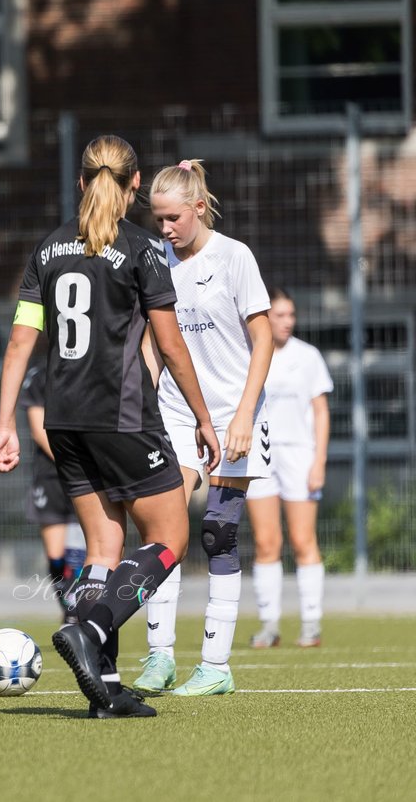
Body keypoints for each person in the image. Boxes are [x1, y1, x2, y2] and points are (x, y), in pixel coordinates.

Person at [0, 135, 219, 719]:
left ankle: (107, 688)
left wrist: (5, 424)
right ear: (136, 184)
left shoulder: (47, 249)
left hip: (62, 420)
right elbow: (169, 344)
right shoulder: (144, 249)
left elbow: (21, 342)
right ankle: (89, 628)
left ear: (81, 182)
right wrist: (203, 416)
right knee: (169, 539)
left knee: (103, 546)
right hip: (120, 418)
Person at [133, 159, 273, 697]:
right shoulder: (156, 260)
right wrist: (140, 401)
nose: (164, 228)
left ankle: (215, 666)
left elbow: (261, 340)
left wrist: (243, 414)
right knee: (162, 528)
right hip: (175, 410)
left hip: (234, 409)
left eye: (172, 218)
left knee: (217, 530)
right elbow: (156, 341)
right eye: (157, 219)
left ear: (197, 208)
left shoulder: (235, 257)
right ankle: (159, 658)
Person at [246, 287, 332, 649]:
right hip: (260, 455)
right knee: (267, 542)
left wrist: (319, 461)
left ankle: (311, 622)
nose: (286, 322)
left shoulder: (308, 356)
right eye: (279, 316)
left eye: (290, 315)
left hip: (300, 455)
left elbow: (320, 410)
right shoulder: (250, 352)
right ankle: (269, 625)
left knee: (302, 540)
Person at [18, 362, 85, 623]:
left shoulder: (86, 368)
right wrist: (70, 461)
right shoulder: (38, 375)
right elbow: (38, 429)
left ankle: (80, 612)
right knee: (57, 555)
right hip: (51, 475)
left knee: (82, 549)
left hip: (88, 473)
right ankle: (69, 608)